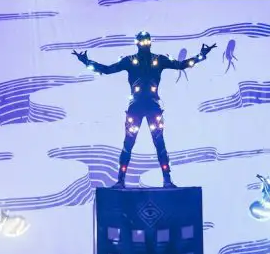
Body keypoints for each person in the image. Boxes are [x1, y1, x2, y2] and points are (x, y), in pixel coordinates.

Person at [73, 31, 216, 188]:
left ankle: (166, 180)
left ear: (150, 42)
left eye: (147, 41)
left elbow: (180, 65)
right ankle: (121, 180)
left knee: (159, 144)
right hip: (136, 107)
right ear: (137, 43)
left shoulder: (159, 60)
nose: (144, 44)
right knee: (129, 144)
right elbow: (107, 70)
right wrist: (86, 61)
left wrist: (201, 55)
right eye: (142, 41)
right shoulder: (130, 61)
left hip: (152, 107)